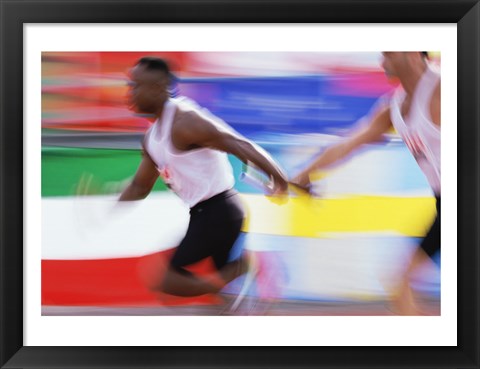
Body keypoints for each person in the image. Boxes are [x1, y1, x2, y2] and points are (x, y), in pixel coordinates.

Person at [119, 56, 289, 298]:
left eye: (135, 85)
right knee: (221, 299)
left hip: (220, 211)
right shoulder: (151, 138)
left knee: (167, 279)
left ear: (157, 87)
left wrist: (279, 178)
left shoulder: (186, 120)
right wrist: (109, 203)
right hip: (203, 214)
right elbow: (139, 186)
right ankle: (242, 270)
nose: (129, 92)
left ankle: (248, 266)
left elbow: (239, 144)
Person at [292, 52, 440, 315]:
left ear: (413, 54)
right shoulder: (393, 108)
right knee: (399, 285)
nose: (382, 62)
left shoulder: (441, 89)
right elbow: (349, 143)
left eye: (389, 54)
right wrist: (306, 173)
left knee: (400, 283)